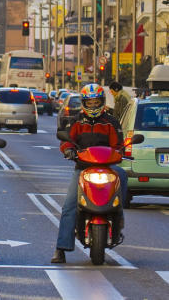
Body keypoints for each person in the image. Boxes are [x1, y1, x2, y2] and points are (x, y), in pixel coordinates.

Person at [51, 83, 128, 263]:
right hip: (83, 168)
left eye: (96, 102)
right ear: (84, 103)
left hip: (108, 168)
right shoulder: (76, 121)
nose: (93, 106)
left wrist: (121, 152)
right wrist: (68, 150)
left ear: (102, 102)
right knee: (70, 205)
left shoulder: (111, 122)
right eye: (90, 102)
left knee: (122, 175)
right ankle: (60, 249)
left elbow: (119, 145)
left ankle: (119, 212)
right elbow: (67, 141)